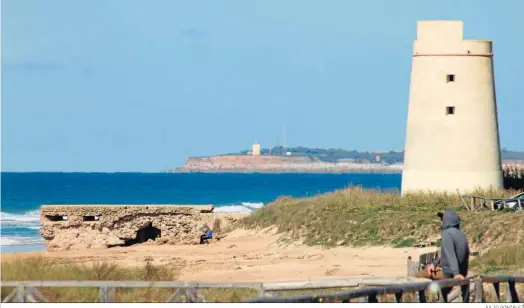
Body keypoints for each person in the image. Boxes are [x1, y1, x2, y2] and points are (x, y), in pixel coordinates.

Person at [425, 209, 470, 280]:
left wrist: (456, 274)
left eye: (442, 219)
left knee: (418, 275)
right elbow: (446, 256)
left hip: (448, 273)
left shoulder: (447, 234)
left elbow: (451, 255)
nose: (441, 221)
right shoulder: (461, 234)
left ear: (448, 220)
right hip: (462, 272)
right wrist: (434, 263)